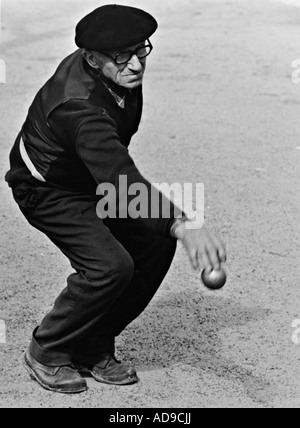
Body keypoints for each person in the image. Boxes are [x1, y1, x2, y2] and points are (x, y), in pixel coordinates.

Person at [5, 4, 227, 394]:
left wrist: (167, 226)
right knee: (110, 266)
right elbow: (120, 180)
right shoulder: (79, 107)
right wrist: (183, 224)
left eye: (141, 50)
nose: (137, 64)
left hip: (91, 177)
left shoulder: (116, 72)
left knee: (155, 242)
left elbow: (114, 168)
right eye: (122, 56)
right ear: (91, 59)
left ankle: (92, 344)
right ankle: (47, 349)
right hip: (47, 189)